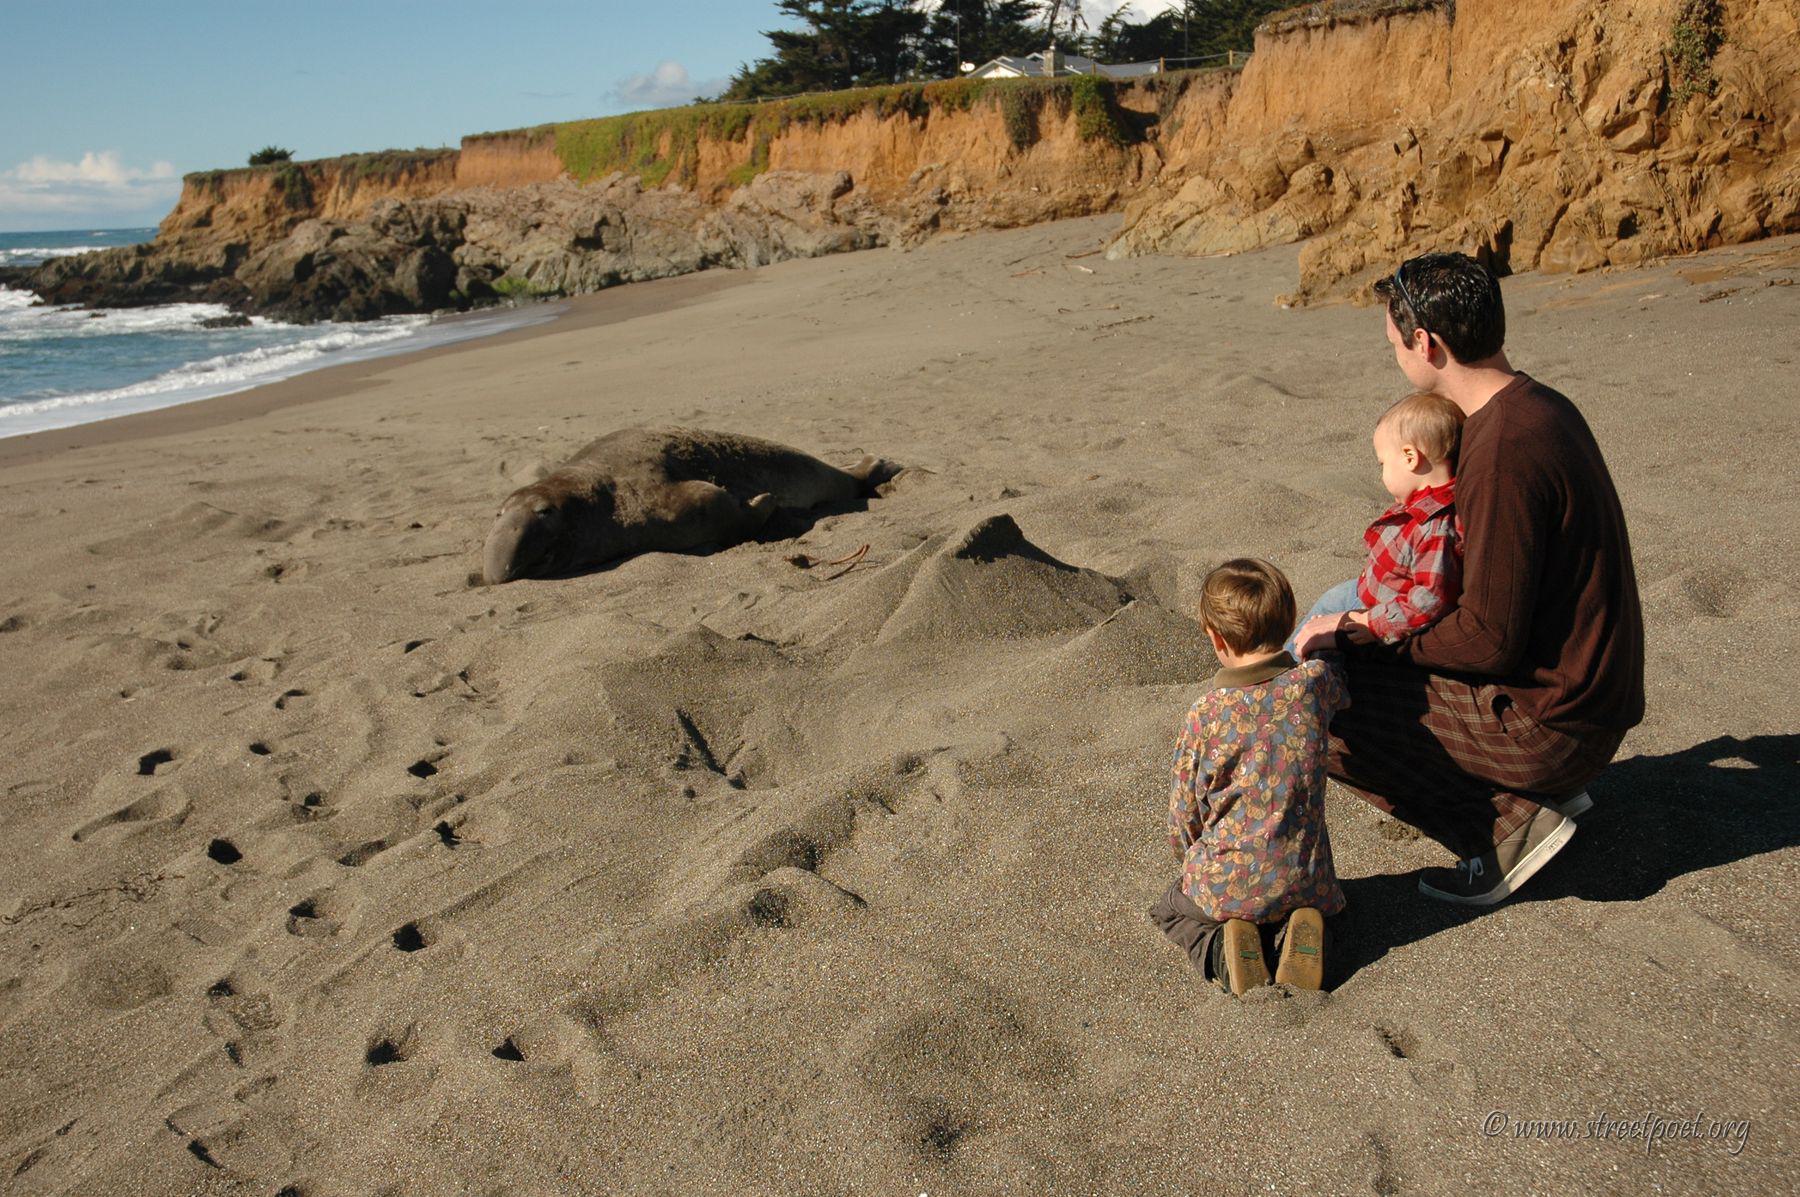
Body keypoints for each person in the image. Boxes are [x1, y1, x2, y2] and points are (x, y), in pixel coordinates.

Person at [1293, 252, 1645, 905]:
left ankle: (1509, 828)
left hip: (1559, 723)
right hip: (1593, 694)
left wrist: (1361, 631)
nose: (1396, 356)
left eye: (1395, 344)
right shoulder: (1540, 405)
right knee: (1358, 642)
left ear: (1426, 343)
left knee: (1320, 700)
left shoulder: (1501, 451)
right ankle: (1542, 791)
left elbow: (1487, 641)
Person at [1150, 558, 1348, 994]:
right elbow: (1338, 682)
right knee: (1324, 911)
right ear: (1290, 622)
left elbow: (1184, 815)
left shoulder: (1206, 714)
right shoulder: (1314, 685)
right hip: (1306, 877)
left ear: (1215, 637)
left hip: (1227, 885)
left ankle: (1222, 951)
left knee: (1169, 910)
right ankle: (1303, 932)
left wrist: (1189, 858)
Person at [1284, 390, 1465, 659]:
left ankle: (1282, 673)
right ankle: (1281, 664)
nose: (1381, 474)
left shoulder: (1434, 527)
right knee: (1313, 623)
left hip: (1375, 612)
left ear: (1410, 457)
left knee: (1310, 643)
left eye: (1383, 463)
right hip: (1363, 591)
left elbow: (1429, 601)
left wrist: (1373, 624)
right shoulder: (1422, 504)